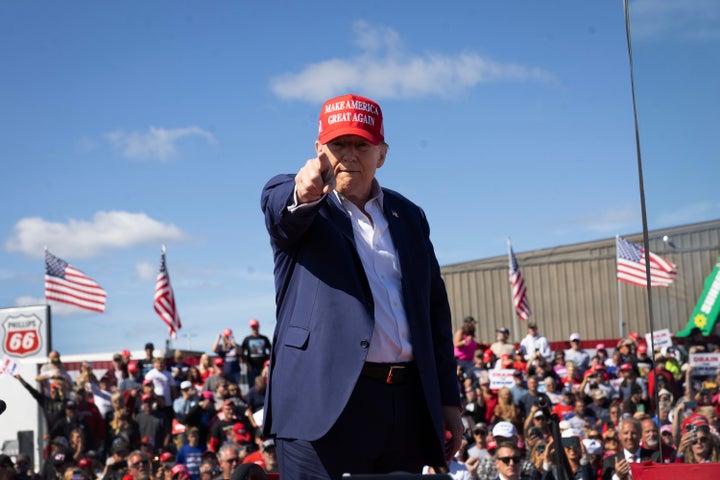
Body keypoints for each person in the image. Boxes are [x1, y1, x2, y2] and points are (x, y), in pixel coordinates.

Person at [260, 93, 462, 478]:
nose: (349, 155)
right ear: (319, 149)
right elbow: (279, 211)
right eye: (338, 145)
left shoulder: (410, 215)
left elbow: (434, 309)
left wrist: (447, 400)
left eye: (361, 145)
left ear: (381, 154)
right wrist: (302, 192)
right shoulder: (300, 203)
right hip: (320, 407)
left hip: (404, 404)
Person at [240, 319, 272, 388]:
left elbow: (271, 351)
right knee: (252, 386)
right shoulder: (247, 339)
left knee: (264, 385)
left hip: (263, 367)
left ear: (258, 326)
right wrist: (247, 364)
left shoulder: (264, 338)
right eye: (252, 327)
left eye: (255, 326)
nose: (254, 328)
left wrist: (267, 365)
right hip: (252, 368)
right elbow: (242, 354)